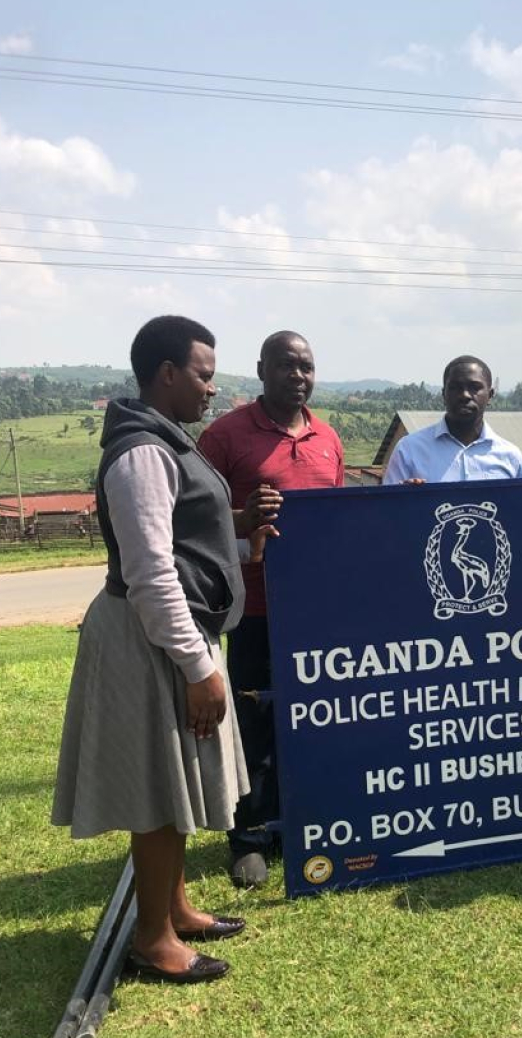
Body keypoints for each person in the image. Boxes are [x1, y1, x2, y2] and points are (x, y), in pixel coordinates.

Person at [52, 316, 273, 983]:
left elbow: (183, 538)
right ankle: (153, 940)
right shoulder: (141, 453)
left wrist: (240, 534)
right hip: (148, 638)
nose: (213, 387)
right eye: (204, 373)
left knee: (171, 776)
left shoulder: (166, 441)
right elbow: (151, 572)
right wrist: (198, 666)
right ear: (167, 373)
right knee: (157, 787)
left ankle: (172, 906)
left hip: (164, 633)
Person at [197, 330, 344, 889]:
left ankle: (300, 824)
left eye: (306, 366)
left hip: (315, 611)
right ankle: (251, 836)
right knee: (255, 721)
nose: (298, 376)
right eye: (286, 365)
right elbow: (194, 516)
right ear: (261, 369)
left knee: (310, 719)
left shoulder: (328, 438)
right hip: (254, 607)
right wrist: (242, 517)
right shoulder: (225, 436)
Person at [382, 355, 522, 483]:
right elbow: (388, 510)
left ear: (490, 395)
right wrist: (406, 499)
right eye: (455, 387)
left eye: (474, 387)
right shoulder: (409, 451)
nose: (465, 395)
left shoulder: (511, 457)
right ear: (443, 394)